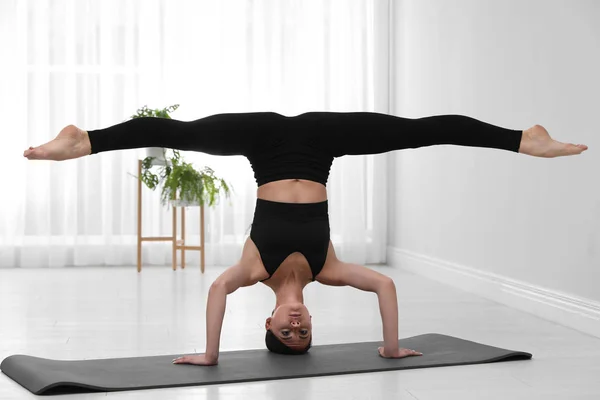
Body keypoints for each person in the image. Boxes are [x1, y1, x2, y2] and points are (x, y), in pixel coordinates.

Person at [23, 111, 588, 366]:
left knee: (184, 134)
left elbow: (217, 292)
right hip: (320, 142)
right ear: (309, 323)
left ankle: (83, 140)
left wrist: (212, 354)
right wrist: (389, 347)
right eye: (303, 336)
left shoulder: (252, 272)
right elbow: (386, 286)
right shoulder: (329, 269)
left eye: (286, 335)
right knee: (417, 133)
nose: (296, 328)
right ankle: (523, 138)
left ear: (267, 323)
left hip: (261, 141)